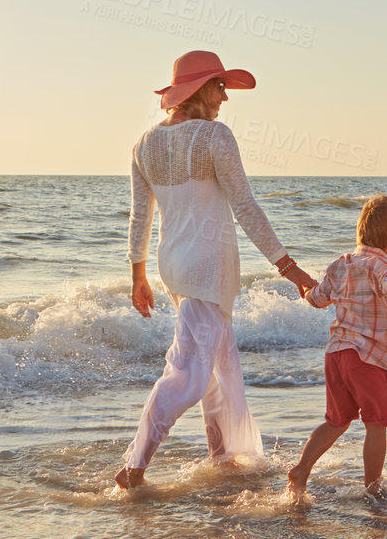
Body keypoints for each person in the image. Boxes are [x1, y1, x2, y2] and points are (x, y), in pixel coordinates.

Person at [117, 50, 317, 490]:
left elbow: (139, 218)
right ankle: (135, 464)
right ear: (198, 89)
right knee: (189, 373)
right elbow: (245, 206)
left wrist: (139, 275)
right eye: (220, 86)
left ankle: (223, 458)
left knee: (218, 367)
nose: (225, 97)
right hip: (208, 267)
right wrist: (290, 268)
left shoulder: (143, 144)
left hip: (174, 267)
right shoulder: (214, 136)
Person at [286, 196, 387, 501]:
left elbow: (317, 298)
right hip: (369, 359)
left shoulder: (341, 264)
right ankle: (373, 488)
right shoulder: (382, 266)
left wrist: (305, 289)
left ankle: (301, 469)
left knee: (336, 420)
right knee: (376, 424)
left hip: (336, 355)